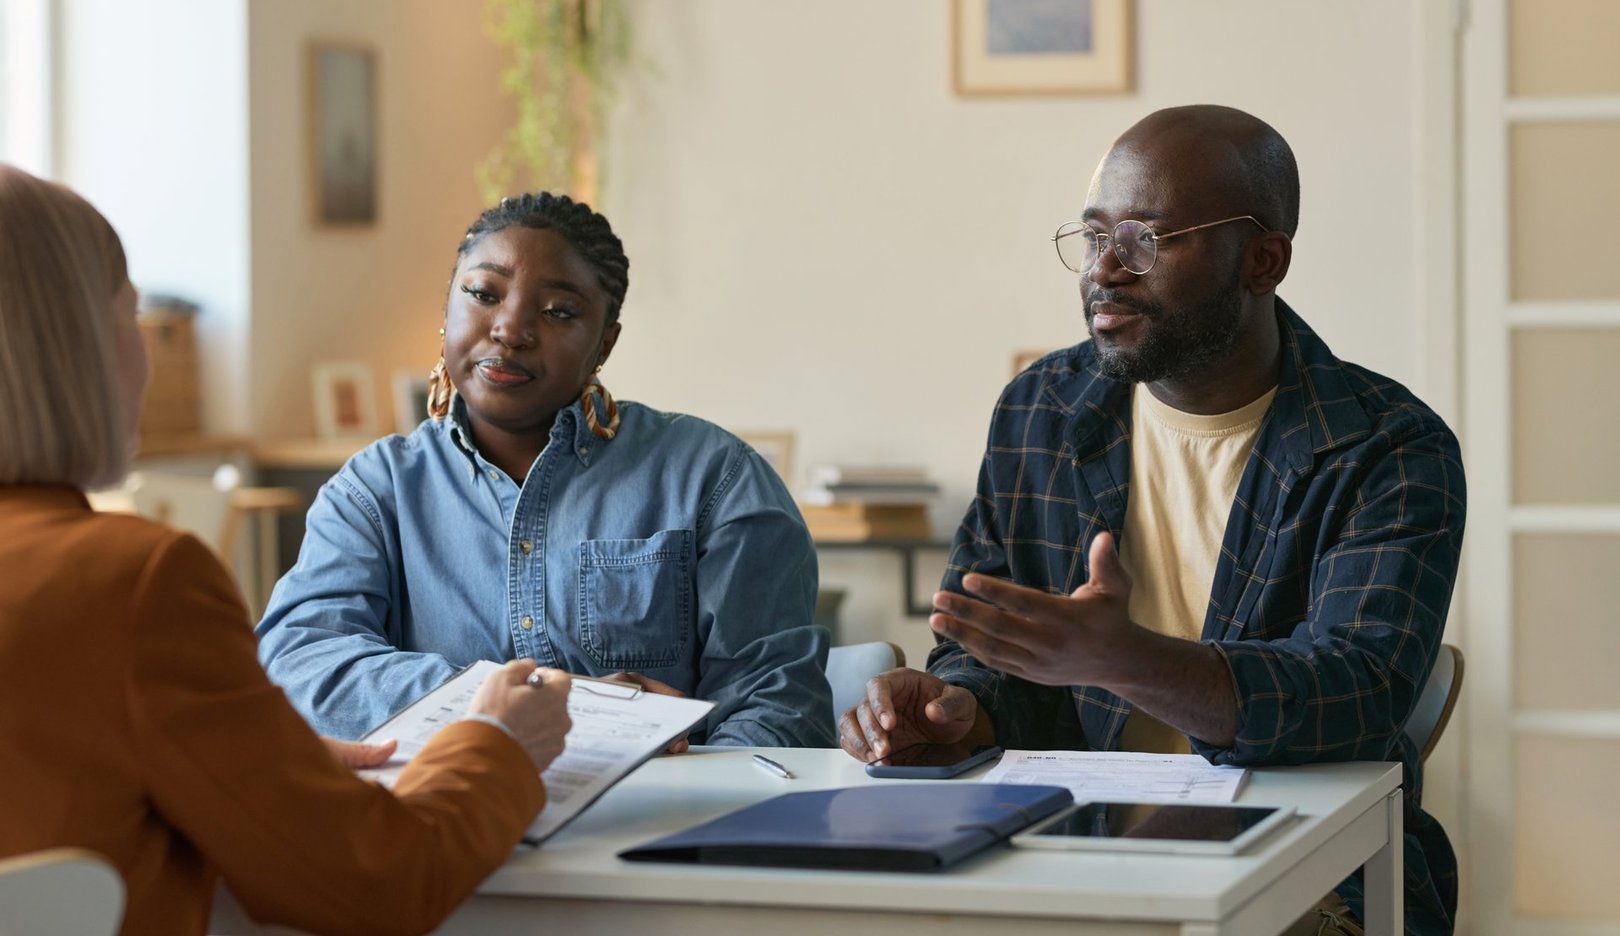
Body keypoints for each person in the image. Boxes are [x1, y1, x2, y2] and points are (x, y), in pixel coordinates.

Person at [837, 106, 1464, 935]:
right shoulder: (1045, 411)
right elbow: (993, 654)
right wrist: (959, 709)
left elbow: (1358, 696)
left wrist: (1129, 661)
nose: (1105, 271)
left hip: (1308, 879)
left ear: (1262, 261)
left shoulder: (1386, 445)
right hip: (1068, 860)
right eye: (1093, 237)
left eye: (1145, 240)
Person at [0, 164, 574, 936]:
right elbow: (374, 882)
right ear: (68, 350)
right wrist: (498, 740)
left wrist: (256, 764)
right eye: (129, 319)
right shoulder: (131, 583)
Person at [257, 191, 834, 747]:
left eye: (558, 311)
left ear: (604, 343)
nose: (510, 329)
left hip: (655, 826)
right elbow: (300, 664)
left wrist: (680, 798)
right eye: (483, 293)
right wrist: (536, 703)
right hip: (445, 823)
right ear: (446, 309)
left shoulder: (715, 479)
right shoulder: (373, 492)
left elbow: (777, 706)